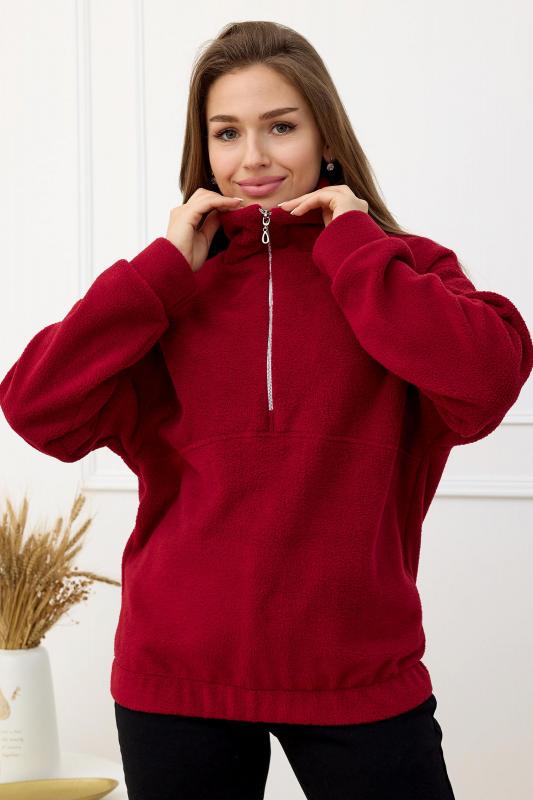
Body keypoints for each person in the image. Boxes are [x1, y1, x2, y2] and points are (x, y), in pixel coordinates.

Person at [1, 19, 532, 800]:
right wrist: (159, 271)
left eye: (279, 126)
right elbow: (36, 406)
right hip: (177, 676)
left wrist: (354, 249)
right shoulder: (170, 290)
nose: (251, 157)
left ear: (325, 136)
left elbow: (485, 382)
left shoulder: (399, 269)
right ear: (204, 148)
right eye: (226, 133)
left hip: (357, 672)